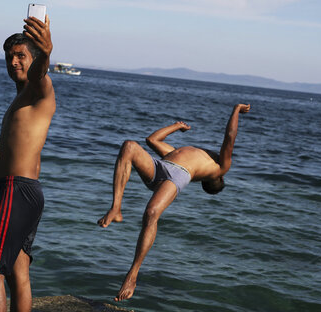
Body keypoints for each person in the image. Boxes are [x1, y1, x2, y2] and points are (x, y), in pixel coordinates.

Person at [97, 103, 251, 302]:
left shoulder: (221, 167)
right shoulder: (186, 154)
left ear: (216, 179)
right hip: (161, 166)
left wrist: (236, 110)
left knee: (151, 213)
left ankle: (133, 274)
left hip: (176, 176)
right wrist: (177, 126)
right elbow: (152, 140)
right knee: (129, 146)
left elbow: (229, 137)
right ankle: (116, 208)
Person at [0, 15, 55, 312]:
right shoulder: (21, 97)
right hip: (25, 192)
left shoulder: (39, 90)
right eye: (9, 57)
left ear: (33, 60)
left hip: (16, 191)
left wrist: (45, 52)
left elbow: (40, 74)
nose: (13, 62)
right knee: (18, 271)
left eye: (21, 56)